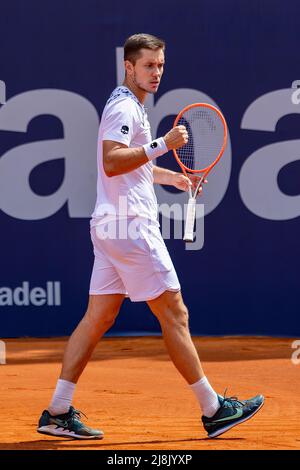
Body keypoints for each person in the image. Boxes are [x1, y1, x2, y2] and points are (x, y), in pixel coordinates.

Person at [37, 33, 264, 440]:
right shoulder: (125, 105)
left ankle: (56, 410)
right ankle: (214, 410)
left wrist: (172, 176)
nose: (156, 72)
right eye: (148, 66)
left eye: (160, 65)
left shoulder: (131, 105)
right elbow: (111, 162)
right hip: (131, 228)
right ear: (129, 67)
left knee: (98, 318)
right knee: (174, 314)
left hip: (110, 227)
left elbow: (133, 164)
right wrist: (164, 145)